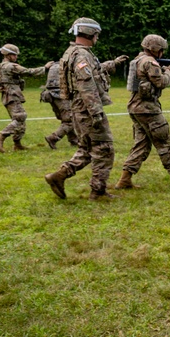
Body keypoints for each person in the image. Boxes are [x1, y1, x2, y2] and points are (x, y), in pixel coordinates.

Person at [44, 18, 126, 201]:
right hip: (87, 108)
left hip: (80, 108)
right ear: (90, 34)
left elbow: (94, 72)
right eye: (96, 34)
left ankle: (58, 176)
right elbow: (86, 84)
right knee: (104, 148)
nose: (97, 38)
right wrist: (96, 111)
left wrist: (113, 63)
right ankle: (98, 192)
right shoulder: (81, 55)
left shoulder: (74, 52)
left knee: (87, 148)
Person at [114, 34, 170, 189]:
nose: (163, 52)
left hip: (137, 107)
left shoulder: (140, 59)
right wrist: (169, 70)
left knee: (141, 145)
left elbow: (164, 75)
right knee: (164, 142)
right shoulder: (149, 62)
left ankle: (125, 179)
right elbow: (161, 81)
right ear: (155, 49)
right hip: (148, 109)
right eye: (161, 49)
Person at [41, 53, 127, 149]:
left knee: (67, 118)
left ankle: (73, 139)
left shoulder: (59, 64)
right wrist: (114, 62)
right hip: (61, 95)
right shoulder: (76, 63)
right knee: (70, 120)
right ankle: (53, 138)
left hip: (51, 94)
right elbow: (96, 68)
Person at [0, 44, 52, 152]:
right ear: (7, 55)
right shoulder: (11, 66)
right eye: (14, 55)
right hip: (13, 95)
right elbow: (29, 72)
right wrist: (45, 68)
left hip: (6, 96)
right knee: (20, 117)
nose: (16, 57)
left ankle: (17, 145)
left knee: (19, 122)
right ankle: (0, 138)